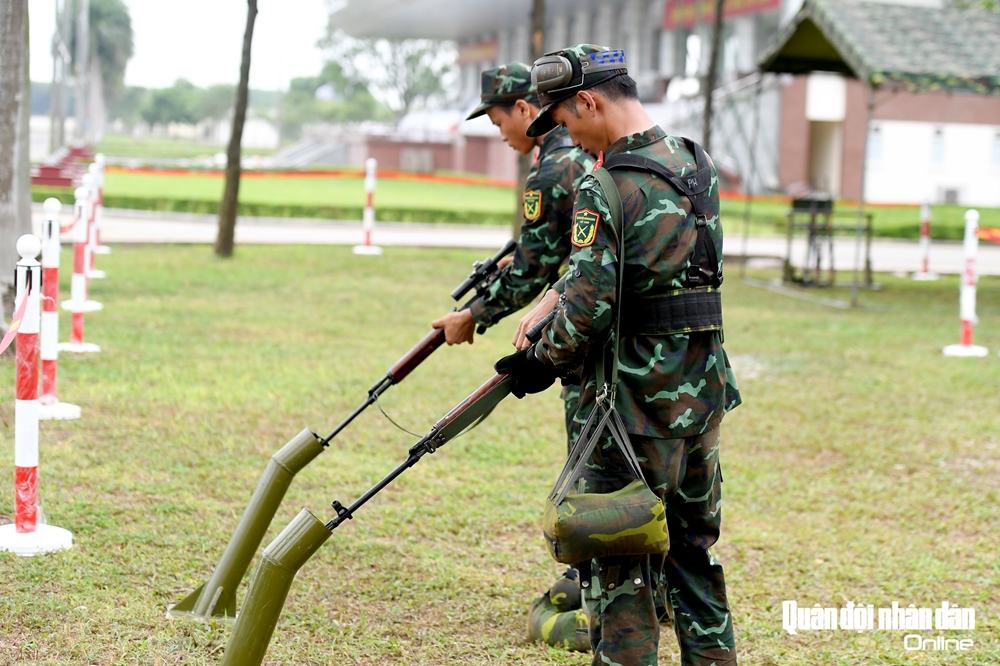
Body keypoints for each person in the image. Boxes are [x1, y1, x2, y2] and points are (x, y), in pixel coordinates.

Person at [496, 44, 741, 666]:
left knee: (621, 570)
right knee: (693, 559)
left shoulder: (602, 185)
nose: (568, 135)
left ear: (589, 101)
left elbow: (587, 309)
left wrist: (538, 362)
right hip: (701, 398)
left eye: (568, 120)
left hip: (629, 412)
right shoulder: (695, 163)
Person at [431, 62, 594, 446]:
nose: (501, 136)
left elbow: (531, 273)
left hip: (582, 314)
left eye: (498, 123)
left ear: (524, 109)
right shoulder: (577, 153)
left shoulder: (554, 169)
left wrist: (472, 315)